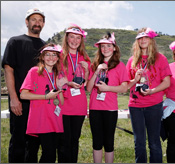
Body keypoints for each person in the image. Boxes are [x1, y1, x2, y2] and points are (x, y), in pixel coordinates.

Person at [1, 8, 45, 163]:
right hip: (20, 101)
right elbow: (8, 69)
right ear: (27, 22)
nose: (37, 23)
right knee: (18, 141)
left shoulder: (46, 47)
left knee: (34, 143)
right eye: (33, 19)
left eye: (40, 20)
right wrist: (13, 98)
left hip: (39, 102)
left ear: (43, 24)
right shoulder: (15, 41)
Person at [126, 27, 172, 163]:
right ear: (137, 41)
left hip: (154, 105)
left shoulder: (160, 58)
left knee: (154, 142)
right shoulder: (131, 60)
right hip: (135, 106)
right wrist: (134, 79)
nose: (143, 40)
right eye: (140, 38)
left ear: (151, 40)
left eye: (146, 37)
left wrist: (152, 91)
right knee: (139, 142)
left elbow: (167, 82)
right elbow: (126, 85)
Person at [87, 32, 129, 163]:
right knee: (97, 141)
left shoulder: (120, 66)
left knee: (109, 142)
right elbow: (88, 88)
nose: (105, 49)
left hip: (110, 109)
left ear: (114, 48)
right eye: (102, 46)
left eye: (108, 46)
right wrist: (96, 71)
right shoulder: (95, 65)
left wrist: (108, 88)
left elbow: (124, 88)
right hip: (95, 108)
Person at [20, 43, 64, 163]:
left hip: (53, 120)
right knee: (31, 154)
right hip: (39, 119)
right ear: (42, 57)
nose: (51, 57)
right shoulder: (34, 71)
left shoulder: (58, 75)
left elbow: (62, 102)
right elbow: (23, 94)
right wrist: (46, 96)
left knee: (50, 155)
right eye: (47, 55)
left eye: (54, 55)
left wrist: (60, 87)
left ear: (57, 58)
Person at [60, 23, 91, 163]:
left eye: (78, 38)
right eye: (71, 37)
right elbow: (54, 78)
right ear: (66, 38)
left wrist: (87, 71)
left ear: (81, 40)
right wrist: (67, 83)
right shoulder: (59, 56)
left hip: (79, 105)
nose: (74, 40)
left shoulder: (85, 57)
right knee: (63, 142)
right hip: (63, 104)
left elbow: (88, 84)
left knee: (74, 140)